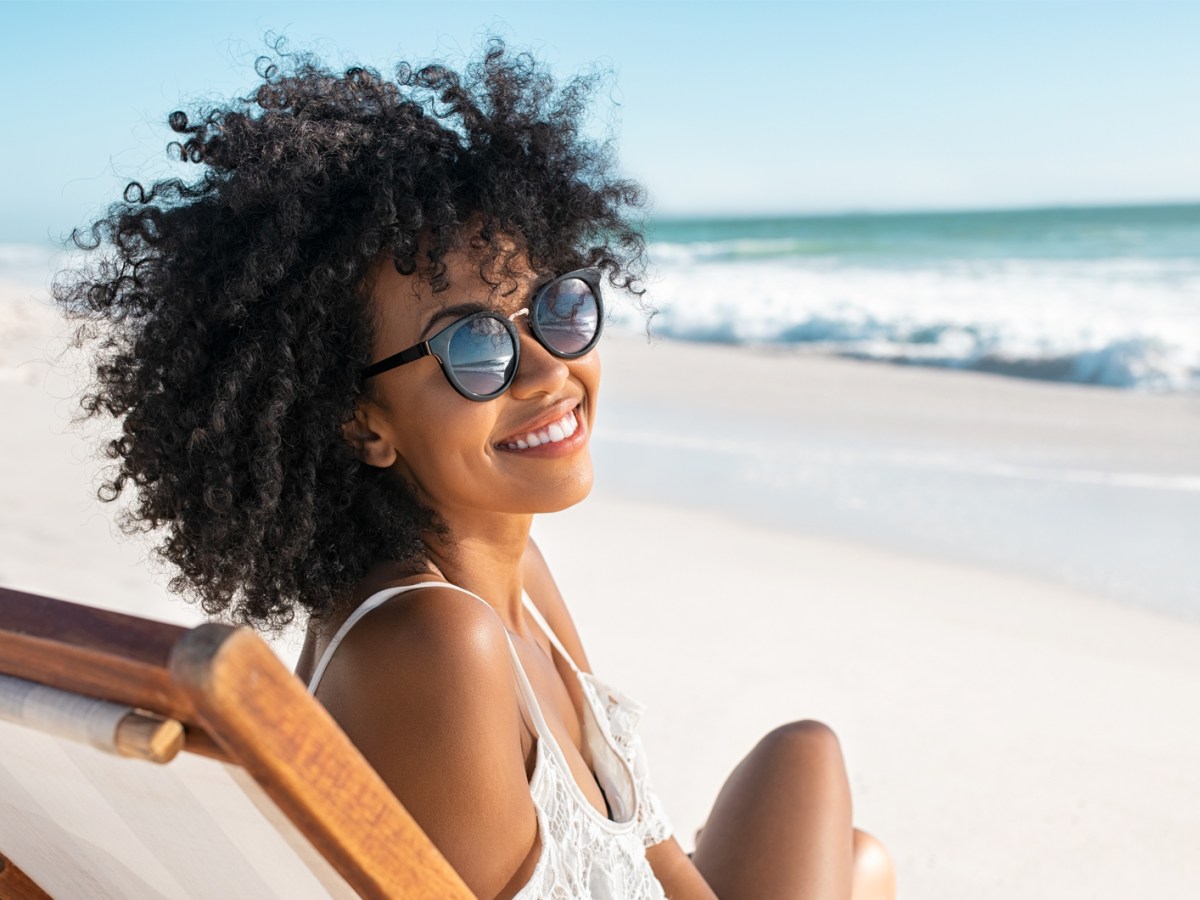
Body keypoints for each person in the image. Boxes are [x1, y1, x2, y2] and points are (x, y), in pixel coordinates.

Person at [56, 41, 895, 900]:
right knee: (844, 836)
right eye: (473, 343)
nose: (546, 371)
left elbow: (653, 853)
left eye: (555, 308)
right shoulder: (434, 646)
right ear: (361, 422)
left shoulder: (512, 568)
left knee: (821, 783)